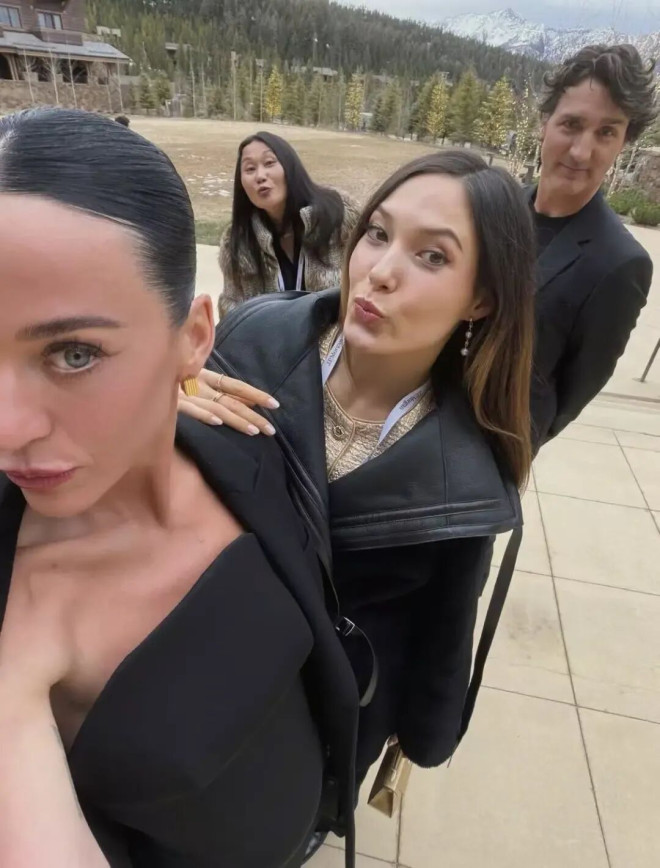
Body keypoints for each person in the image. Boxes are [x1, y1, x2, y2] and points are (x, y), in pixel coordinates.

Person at [0, 108, 360, 868]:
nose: (7, 430)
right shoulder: (20, 624)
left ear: (195, 337)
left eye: (73, 353)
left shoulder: (244, 436)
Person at [180, 151, 536, 844]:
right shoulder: (256, 336)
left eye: (432, 257)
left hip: (315, 722)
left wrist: (420, 734)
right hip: (190, 670)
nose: (380, 270)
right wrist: (158, 397)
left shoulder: (466, 477)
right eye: (377, 233)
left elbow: (443, 628)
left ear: (482, 299)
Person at [529, 43, 656, 448]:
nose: (582, 151)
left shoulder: (620, 264)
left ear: (624, 142)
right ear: (545, 123)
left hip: (486, 462)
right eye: (571, 124)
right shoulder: (492, 208)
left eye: (606, 132)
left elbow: (571, 396)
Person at [218, 131, 360, 318]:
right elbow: (232, 313)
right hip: (272, 337)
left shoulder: (339, 215)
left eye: (269, 163)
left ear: (289, 166)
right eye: (250, 169)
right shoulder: (238, 243)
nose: (260, 176)